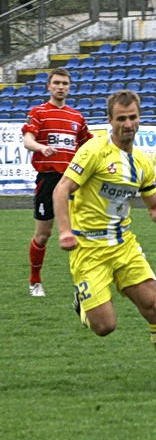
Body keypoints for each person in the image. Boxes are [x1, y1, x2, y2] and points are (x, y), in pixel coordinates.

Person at [53, 89, 156, 390]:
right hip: (89, 248)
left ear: (139, 118)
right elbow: (61, 189)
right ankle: (82, 301)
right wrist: (65, 231)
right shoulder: (94, 151)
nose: (127, 124)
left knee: (154, 306)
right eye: (121, 119)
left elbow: (152, 202)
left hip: (123, 245)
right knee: (105, 327)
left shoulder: (142, 162)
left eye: (132, 117)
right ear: (110, 120)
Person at [22, 67, 92, 297]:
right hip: (48, 179)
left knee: (82, 231)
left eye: (65, 84)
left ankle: (86, 281)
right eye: (57, 83)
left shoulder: (76, 117)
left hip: (72, 180)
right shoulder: (39, 113)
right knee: (43, 234)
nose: (61, 87)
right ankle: (35, 281)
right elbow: (28, 140)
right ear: (49, 86)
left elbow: (88, 146)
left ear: (69, 88)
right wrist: (42, 147)